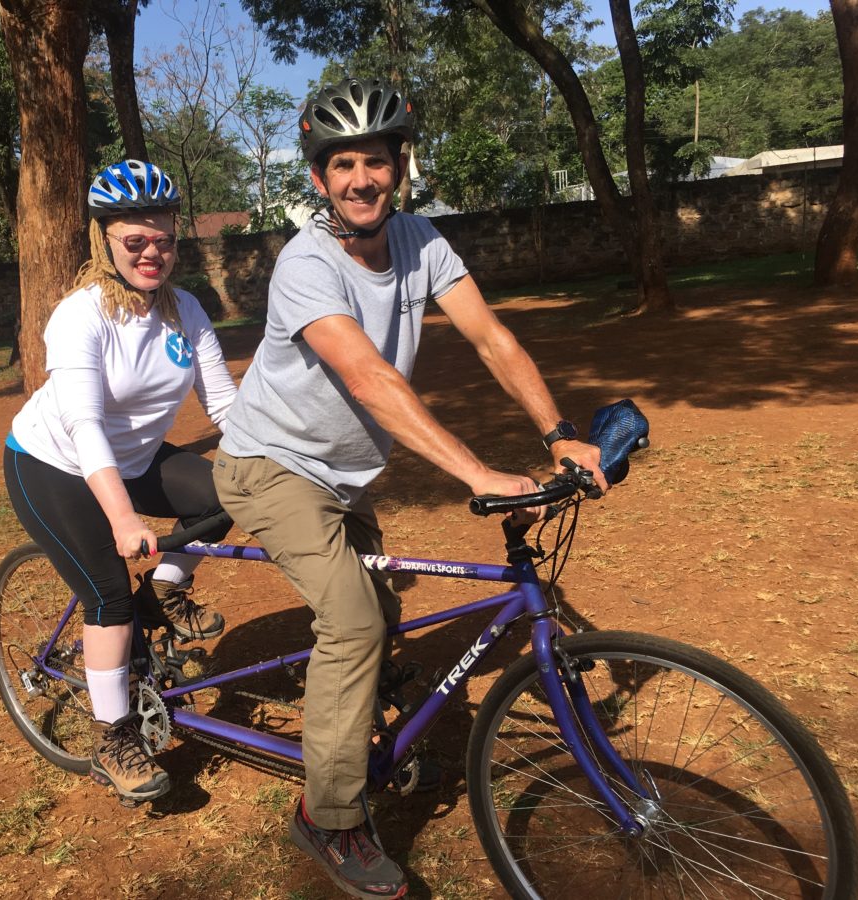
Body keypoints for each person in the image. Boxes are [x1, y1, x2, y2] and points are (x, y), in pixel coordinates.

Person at [212, 78, 608, 898]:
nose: (362, 179)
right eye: (343, 164)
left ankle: (364, 725)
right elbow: (366, 375)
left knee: (381, 611)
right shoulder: (304, 264)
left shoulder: (423, 241)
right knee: (354, 621)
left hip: (348, 478)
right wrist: (476, 471)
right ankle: (328, 816)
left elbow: (492, 339)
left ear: (401, 167)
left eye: (377, 162)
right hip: (269, 467)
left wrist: (556, 430)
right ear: (319, 178)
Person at [2, 159, 236, 805]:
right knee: (107, 593)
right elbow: (83, 425)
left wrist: (285, 462)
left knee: (227, 494)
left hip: (133, 459)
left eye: (162, 239)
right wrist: (125, 521)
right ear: (106, 240)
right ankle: (115, 738)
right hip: (53, 463)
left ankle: (162, 595)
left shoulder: (185, 310)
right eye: (135, 241)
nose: (151, 253)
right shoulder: (80, 316)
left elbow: (225, 407)